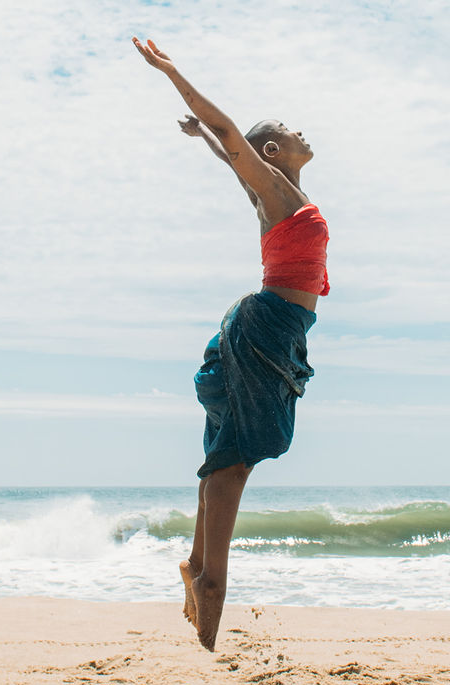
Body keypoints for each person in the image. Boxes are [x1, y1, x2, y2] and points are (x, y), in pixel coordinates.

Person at [132, 37, 330, 651]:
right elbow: (231, 135)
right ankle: (211, 582)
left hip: (277, 328)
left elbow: (232, 153)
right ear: (273, 150)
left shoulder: (278, 194)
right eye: (288, 131)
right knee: (237, 457)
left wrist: (212, 146)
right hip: (266, 326)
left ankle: (200, 569)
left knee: (234, 451)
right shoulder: (274, 190)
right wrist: (173, 75)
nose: (302, 132)